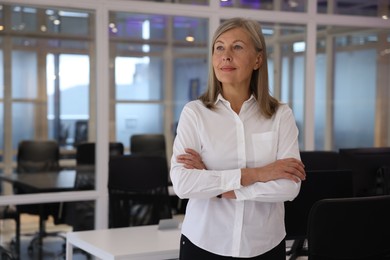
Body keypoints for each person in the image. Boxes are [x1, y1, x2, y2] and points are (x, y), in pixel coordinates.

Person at [170, 17, 306, 260]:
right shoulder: (195, 113)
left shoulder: (280, 115)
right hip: (204, 244)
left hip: (264, 246)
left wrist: (221, 190)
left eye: (238, 47)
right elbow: (183, 184)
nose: (226, 56)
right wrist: (260, 173)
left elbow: (289, 186)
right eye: (219, 47)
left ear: (258, 59)